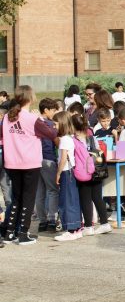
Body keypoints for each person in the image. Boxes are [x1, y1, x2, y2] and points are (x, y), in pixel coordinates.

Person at [0, 86, 59, 245]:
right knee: (28, 199)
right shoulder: (32, 119)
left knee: (17, 198)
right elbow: (51, 134)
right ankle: (23, 233)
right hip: (29, 162)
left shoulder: (6, 117)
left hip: (11, 162)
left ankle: (10, 233)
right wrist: (47, 122)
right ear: (30, 98)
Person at [71, 113, 112, 236]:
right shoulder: (92, 137)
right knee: (98, 198)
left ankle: (88, 226)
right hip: (96, 171)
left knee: (85, 199)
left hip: (83, 173)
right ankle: (105, 224)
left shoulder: (73, 140)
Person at [52, 111, 82, 242]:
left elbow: (63, 158)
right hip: (72, 172)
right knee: (73, 200)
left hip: (66, 172)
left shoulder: (64, 139)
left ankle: (70, 229)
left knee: (66, 201)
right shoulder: (70, 138)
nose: (54, 126)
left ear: (62, 124)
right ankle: (76, 228)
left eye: (55, 124)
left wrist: (57, 173)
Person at [35, 98, 60, 233]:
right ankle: (51, 220)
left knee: (40, 192)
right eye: (53, 110)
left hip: (36, 160)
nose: (54, 112)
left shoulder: (35, 123)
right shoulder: (50, 125)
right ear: (46, 110)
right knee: (52, 190)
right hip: (49, 159)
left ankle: (42, 221)